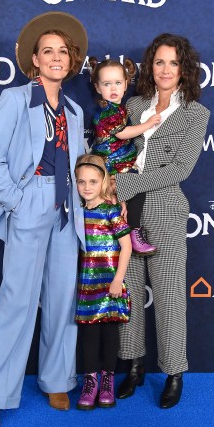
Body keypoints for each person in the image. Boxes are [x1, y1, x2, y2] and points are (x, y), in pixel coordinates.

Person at [0, 12, 88, 427]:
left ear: (71, 60)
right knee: (18, 300)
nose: (56, 58)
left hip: (67, 209)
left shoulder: (74, 111)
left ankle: (57, 378)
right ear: (35, 61)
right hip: (30, 200)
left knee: (62, 300)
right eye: (48, 52)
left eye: (62, 52)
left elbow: (77, 165)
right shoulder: (15, 99)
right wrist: (18, 201)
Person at [111, 33, 210, 408]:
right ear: (150, 67)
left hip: (165, 210)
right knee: (129, 292)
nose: (166, 69)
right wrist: (114, 186)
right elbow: (113, 147)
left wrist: (126, 183)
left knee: (169, 298)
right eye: (159, 62)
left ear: (184, 68)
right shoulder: (133, 105)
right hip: (124, 212)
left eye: (173, 62)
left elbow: (181, 168)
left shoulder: (196, 114)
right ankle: (133, 365)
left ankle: (173, 372)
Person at [74, 154, 132, 410]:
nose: (87, 187)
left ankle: (107, 379)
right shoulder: (76, 213)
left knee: (109, 332)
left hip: (111, 283)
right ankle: (90, 381)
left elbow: (127, 246)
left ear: (103, 182)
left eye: (93, 182)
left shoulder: (111, 211)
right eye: (81, 182)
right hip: (87, 286)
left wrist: (118, 279)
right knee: (88, 334)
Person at [89, 57, 160, 255]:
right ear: (97, 87)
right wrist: (148, 124)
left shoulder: (120, 109)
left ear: (126, 84)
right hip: (112, 165)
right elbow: (122, 133)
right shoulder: (108, 113)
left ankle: (128, 233)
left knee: (125, 201)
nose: (113, 88)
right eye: (106, 83)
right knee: (136, 189)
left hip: (120, 163)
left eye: (118, 83)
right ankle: (133, 233)